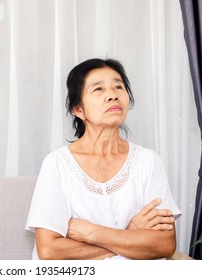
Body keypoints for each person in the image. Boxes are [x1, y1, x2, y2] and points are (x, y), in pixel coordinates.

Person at [25, 58, 181, 260]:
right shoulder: (57, 164)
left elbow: (165, 244)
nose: (112, 95)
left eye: (118, 87)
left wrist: (92, 233)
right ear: (78, 110)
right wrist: (130, 236)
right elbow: (49, 251)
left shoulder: (149, 162)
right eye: (98, 89)